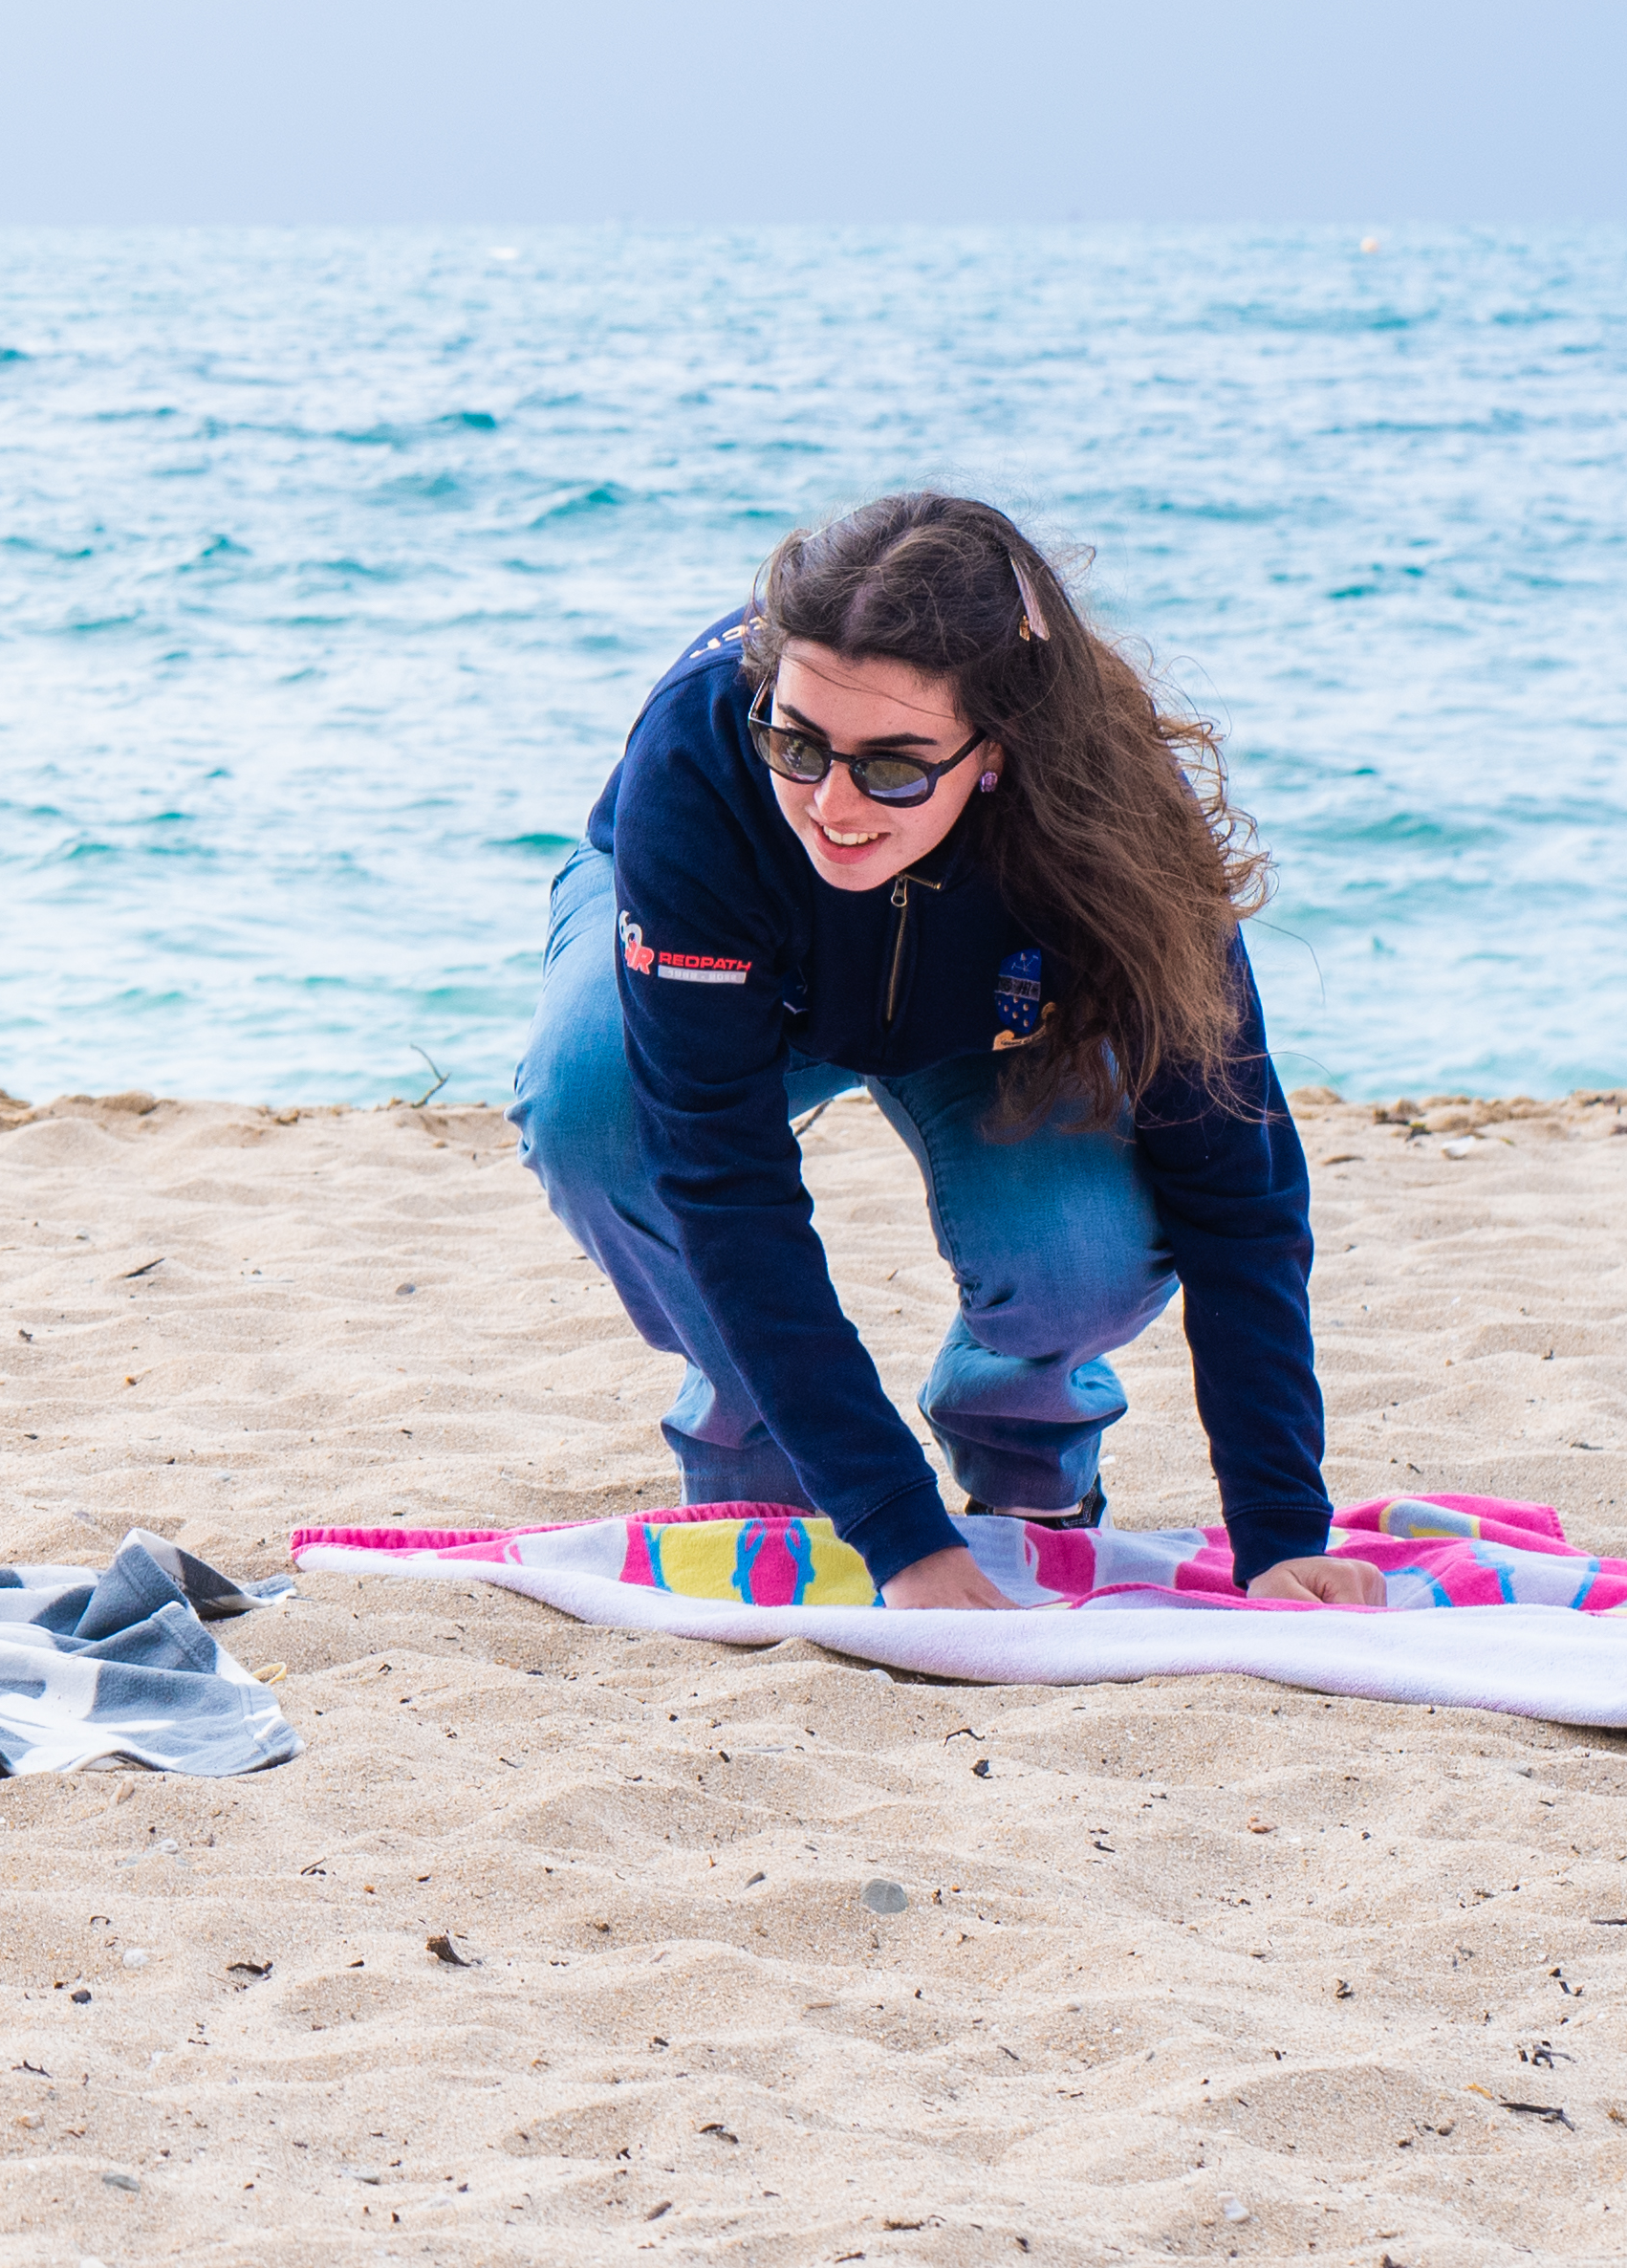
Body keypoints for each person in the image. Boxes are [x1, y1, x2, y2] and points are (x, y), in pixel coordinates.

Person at [511, 491, 1377, 1610]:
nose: (830, 803)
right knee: (592, 1110)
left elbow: (1236, 1184)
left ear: (999, 749)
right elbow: (723, 1186)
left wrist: (1277, 1531)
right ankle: (770, 1467)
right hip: (740, 958)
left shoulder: (1120, 820)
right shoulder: (701, 751)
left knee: (1086, 1253)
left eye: (893, 764)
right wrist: (898, 1536)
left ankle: (1027, 1467)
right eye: (796, 741)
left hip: (982, 1009)